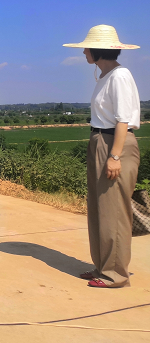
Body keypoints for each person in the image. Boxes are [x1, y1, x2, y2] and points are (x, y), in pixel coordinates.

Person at [64, 24, 141, 288]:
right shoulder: (106, 76)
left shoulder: (120, 76)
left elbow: (123, 120)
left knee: (113, 211)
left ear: (97, 51)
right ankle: (102, 266)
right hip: (101, 139)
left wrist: (115, 156)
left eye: (86, 47)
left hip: (114, 143)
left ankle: (115, 273)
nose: (84, 51)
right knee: (99, 208)